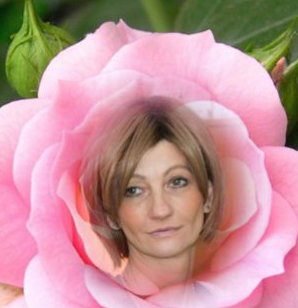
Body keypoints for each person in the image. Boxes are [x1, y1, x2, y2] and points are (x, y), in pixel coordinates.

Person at [81, 96, 224, 293]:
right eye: (134, 190)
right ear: (110, 213)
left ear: (208, 196)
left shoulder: (228, 298)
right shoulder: (82, 306)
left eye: (177, 182)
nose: (160, 210)